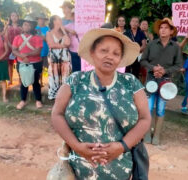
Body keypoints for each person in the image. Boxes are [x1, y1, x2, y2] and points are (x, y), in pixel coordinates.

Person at [51, 28, 151, 179]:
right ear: (92, 52)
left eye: (116, 53)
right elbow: (57, 114)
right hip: (78, 169)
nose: (109, 57)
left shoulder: (131, 83)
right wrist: (77, 147)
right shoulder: (75, 80)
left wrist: (122, 146)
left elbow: (145, 119)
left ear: (120, 58)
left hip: (120, 169)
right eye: (103, 50)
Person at [140, 18, 182, 145]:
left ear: (171, 32)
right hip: (151, 80)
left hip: (166, 82)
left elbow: (179, 65)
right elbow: (143, 60)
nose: (162, 30)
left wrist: (165, 71)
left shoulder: (175, 47)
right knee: (148, 108)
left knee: (160, 109)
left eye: (166, 28)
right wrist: (154, 68)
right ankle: (147, 133)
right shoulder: (151, 44)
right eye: (161, 28)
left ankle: (156, 135)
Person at [12, 15, 43, 109]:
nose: (27, 27)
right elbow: (14, 50)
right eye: (25, 24)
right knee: (23, 82)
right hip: (22, 63)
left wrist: (26, 55)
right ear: (22, 26)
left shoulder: (37, 38)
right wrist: (22, 56)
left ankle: (38, 100)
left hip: (35, 63)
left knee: (36, 82)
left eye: (29, 25)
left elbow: (38, 51)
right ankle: (23, 100)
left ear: (33, 26)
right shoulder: (17, 37)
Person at [46, 15, 71, 100]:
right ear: (53, 21)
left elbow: (68, 43)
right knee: (54, 76)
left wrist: (64, 31)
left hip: (65, 58)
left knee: (65, 76)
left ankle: (64, 96)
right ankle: (55, 97)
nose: (61, 20)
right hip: (54, 58)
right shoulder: (49, 33)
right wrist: (63, 46)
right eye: (59, 19)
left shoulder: (64, 32)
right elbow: (51, 44)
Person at [61, 1, 81, 72]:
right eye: (73, 15)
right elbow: (59, 27)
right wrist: (69, 30)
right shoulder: (68, 25)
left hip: (84, 50)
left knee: (83, 69)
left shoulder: (84, 25)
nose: (74, 16)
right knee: (75, 70)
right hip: (73, 50)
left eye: (76, 15)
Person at [4, 11, 22, 85]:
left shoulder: (20, 27)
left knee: (20, 64)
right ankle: (10, 80)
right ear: (10, 17)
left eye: (15, 16)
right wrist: (11, 46)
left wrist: (17, 47)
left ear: (18, 17)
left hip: (18, 48)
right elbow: (6, 37)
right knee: (9, 64)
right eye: (12, 16)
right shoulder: (8, 27)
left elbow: (22, 37)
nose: (14, 17)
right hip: (10, 48)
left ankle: (20, 80)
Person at [35, 13, 50, 86]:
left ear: (45, 20)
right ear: (37, 20)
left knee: (48, 68)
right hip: (37, 52)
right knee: (39, 68)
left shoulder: (48, 29)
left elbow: (48, 39)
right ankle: (40, 82)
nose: (41, 20)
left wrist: (43, 37)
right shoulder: (34, 29)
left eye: (43, 19)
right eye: (40, 19)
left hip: (46, 51)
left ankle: (50, 82)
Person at [0, 18, 9, 103]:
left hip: (2, 61)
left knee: (3, 80)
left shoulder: (3, 37)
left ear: (1, 27)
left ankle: (4, 97)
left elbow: (6, 50)